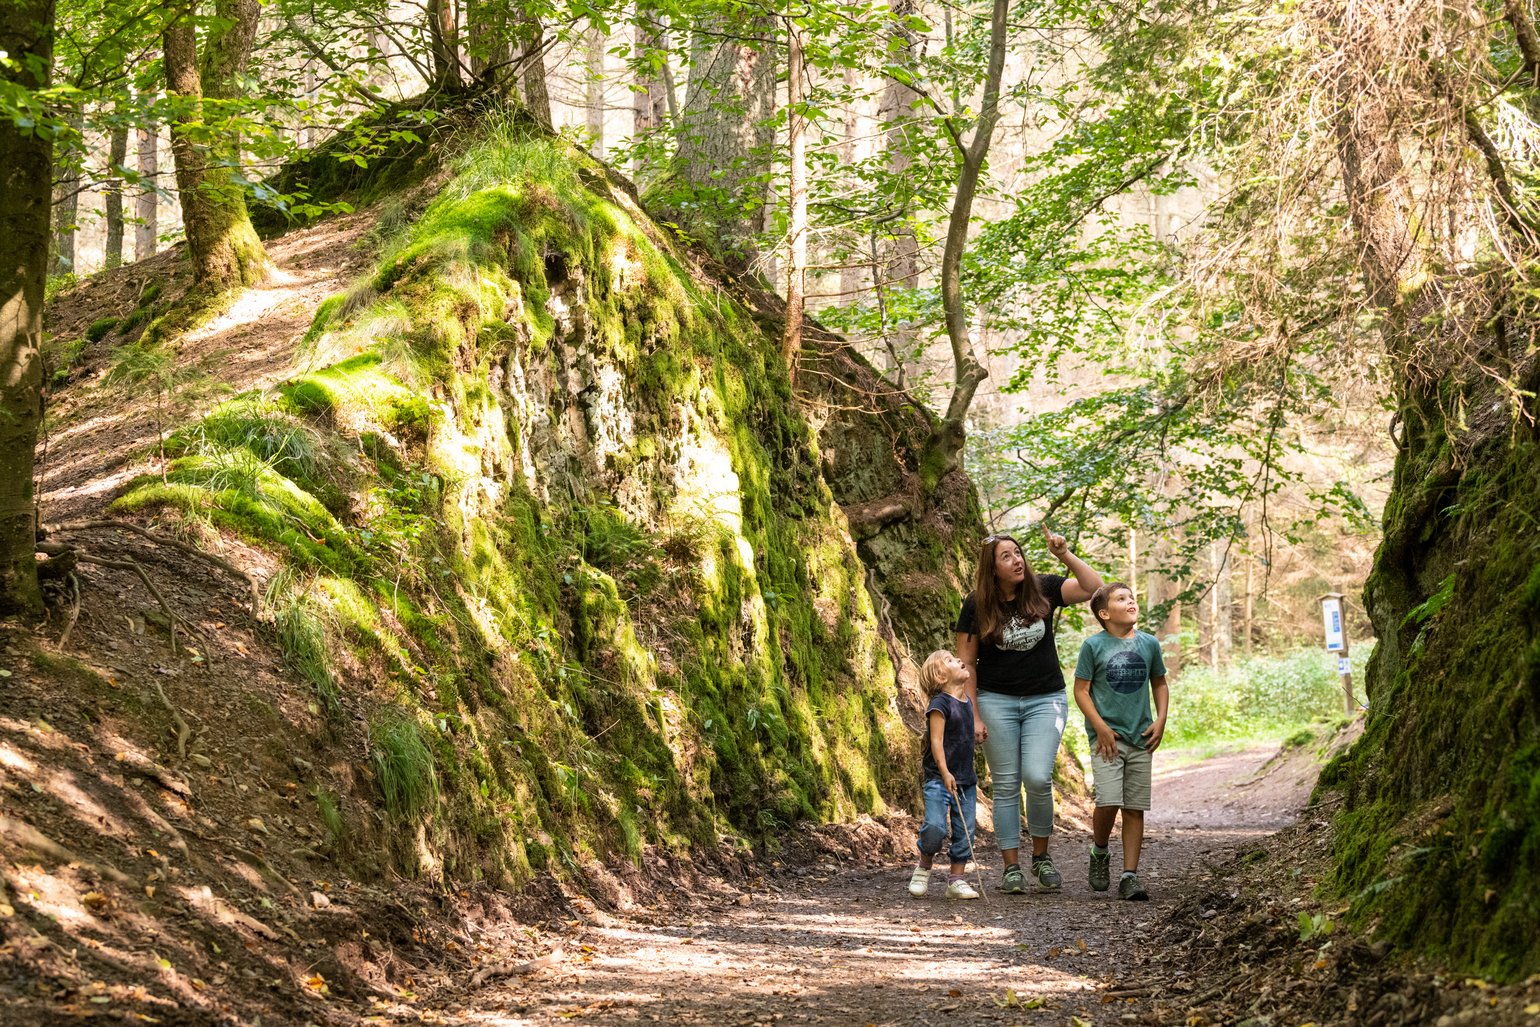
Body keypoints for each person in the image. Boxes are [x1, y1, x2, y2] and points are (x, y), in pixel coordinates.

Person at [956, 527, 1103, 894]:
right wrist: (972, 714)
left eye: (1018, 553)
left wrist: (1065, 555)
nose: (1016, 560)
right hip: (995, 701)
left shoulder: (1045, 589)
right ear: (992, 570)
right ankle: (1011, 868)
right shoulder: (976, 604)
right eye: (1006, 556)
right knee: (1006, 785)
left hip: (1044, 699)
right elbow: (966, 664)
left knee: (1038, 777)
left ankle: (1041, 855)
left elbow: (1092, 588)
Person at [1072, 582, 1169, 901]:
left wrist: (1161, 719)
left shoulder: (1149, 644)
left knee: (1134, 807)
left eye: (1132, 597)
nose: (1131, 602)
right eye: (1121, 598)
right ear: (1104, 613)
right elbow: (1081, 690)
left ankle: (1130, 875)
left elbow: (1160, 683)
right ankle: (1100, 850)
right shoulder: (1093, 646)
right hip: (1107, 739)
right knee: (1108, 800)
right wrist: (1099, 726)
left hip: (1141, 737)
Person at [908, 650, 981, 900]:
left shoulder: (967, 702)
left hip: (965, 780)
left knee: (965, 831)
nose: (960, 660)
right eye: (950, 660)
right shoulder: (939, 704)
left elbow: (961, 737)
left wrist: (976, 736)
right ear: (940, 676)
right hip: (940, 779)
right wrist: (945, 772)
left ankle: (956, 880)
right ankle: (924, 865)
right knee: (935, 827)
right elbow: (936, 741)